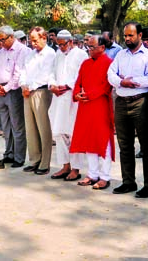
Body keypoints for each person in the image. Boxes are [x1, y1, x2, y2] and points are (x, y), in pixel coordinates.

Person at [107, 22, 148, 198]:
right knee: (125, 145)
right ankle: (128, 181)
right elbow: (110, 75)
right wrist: (122, 82)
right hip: (121, 102)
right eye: (125, 35)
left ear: (139, 35)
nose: (127, 38)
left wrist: (131, 80)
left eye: (131, 35)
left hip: (141, 103)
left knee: (146, 146)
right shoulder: (121, 55)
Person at [69, 35, 115, 190]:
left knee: (103, 141)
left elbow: (106, 86)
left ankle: (105, 176)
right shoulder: (85, 63)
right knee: (89, 140)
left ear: (102, 47)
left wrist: (89, 95)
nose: (89, 50)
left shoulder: (109, 63)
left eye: (92, 47)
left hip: (100, 105)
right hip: (85, 107)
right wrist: (76, 94)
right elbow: (78, 82)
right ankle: (92, 174)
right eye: (88, 46)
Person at [49, 30, 89, 181]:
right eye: (58, 45)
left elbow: (82, 75)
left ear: (71, 42)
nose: (60, 47)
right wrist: (52, 85)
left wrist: (67, 86)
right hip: (58, 98)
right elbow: (52, 73)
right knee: (58, 133)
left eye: (63, 44)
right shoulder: (58, 54)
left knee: (73, 134)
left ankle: (76, 168)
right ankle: (65, 166)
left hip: (73, 98)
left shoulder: (81, 55)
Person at [0, 25, 30, 168]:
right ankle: (9, 153)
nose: (1, 43)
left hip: (13, 90)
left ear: (12, 37)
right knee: (6, 125)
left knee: (17, 125)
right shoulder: (0, 52)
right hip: (0, 89)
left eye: (3, 39)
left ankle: (19, 157)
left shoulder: (22, 50)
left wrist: (6, 88)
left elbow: (18, 73)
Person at [19, 26, 56, 175]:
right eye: (31, 40)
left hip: (41, 91)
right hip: (27, 92)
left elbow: (46, 74)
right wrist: (23, 86)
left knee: (43, 128)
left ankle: (44, 163)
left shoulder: (50, 54)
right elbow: (23, 71)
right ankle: (34, 159)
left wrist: (31, 87)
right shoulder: (30, 55)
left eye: (35, 40)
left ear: (44, 38)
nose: (32, 43)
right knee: (30, 128)